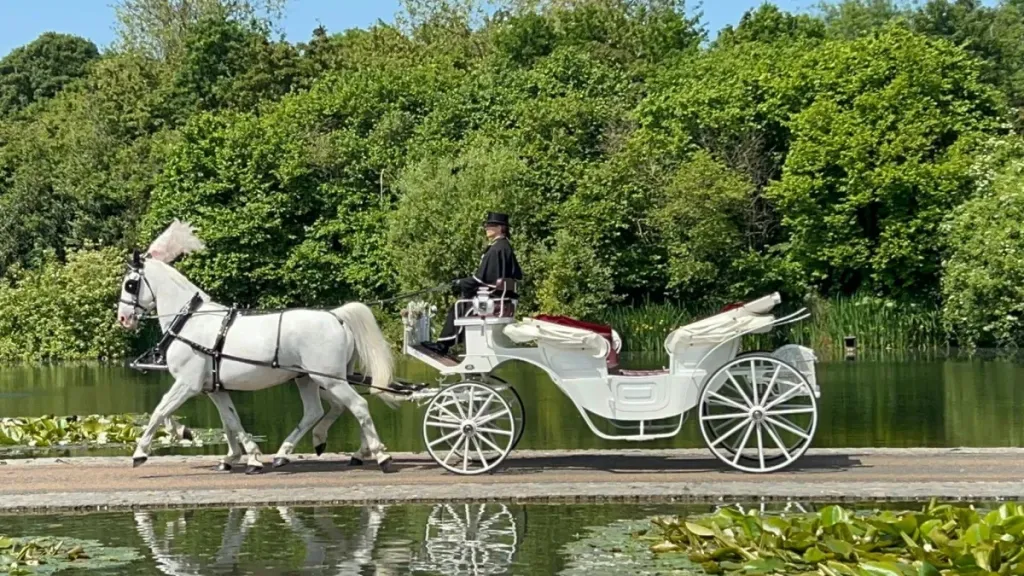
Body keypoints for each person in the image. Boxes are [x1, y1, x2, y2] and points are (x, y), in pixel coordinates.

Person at [422, 212, 523, 356]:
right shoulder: (504, 247)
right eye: (487, 225)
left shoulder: (496, 249)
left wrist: (460, 282)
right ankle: (447, 343)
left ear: (501, 228)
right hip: (498, 296)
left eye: (491, 225)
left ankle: (443, 345)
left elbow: (481, 279)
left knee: (458, 306)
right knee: (462, 304)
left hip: (492, 298)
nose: (486, 228)